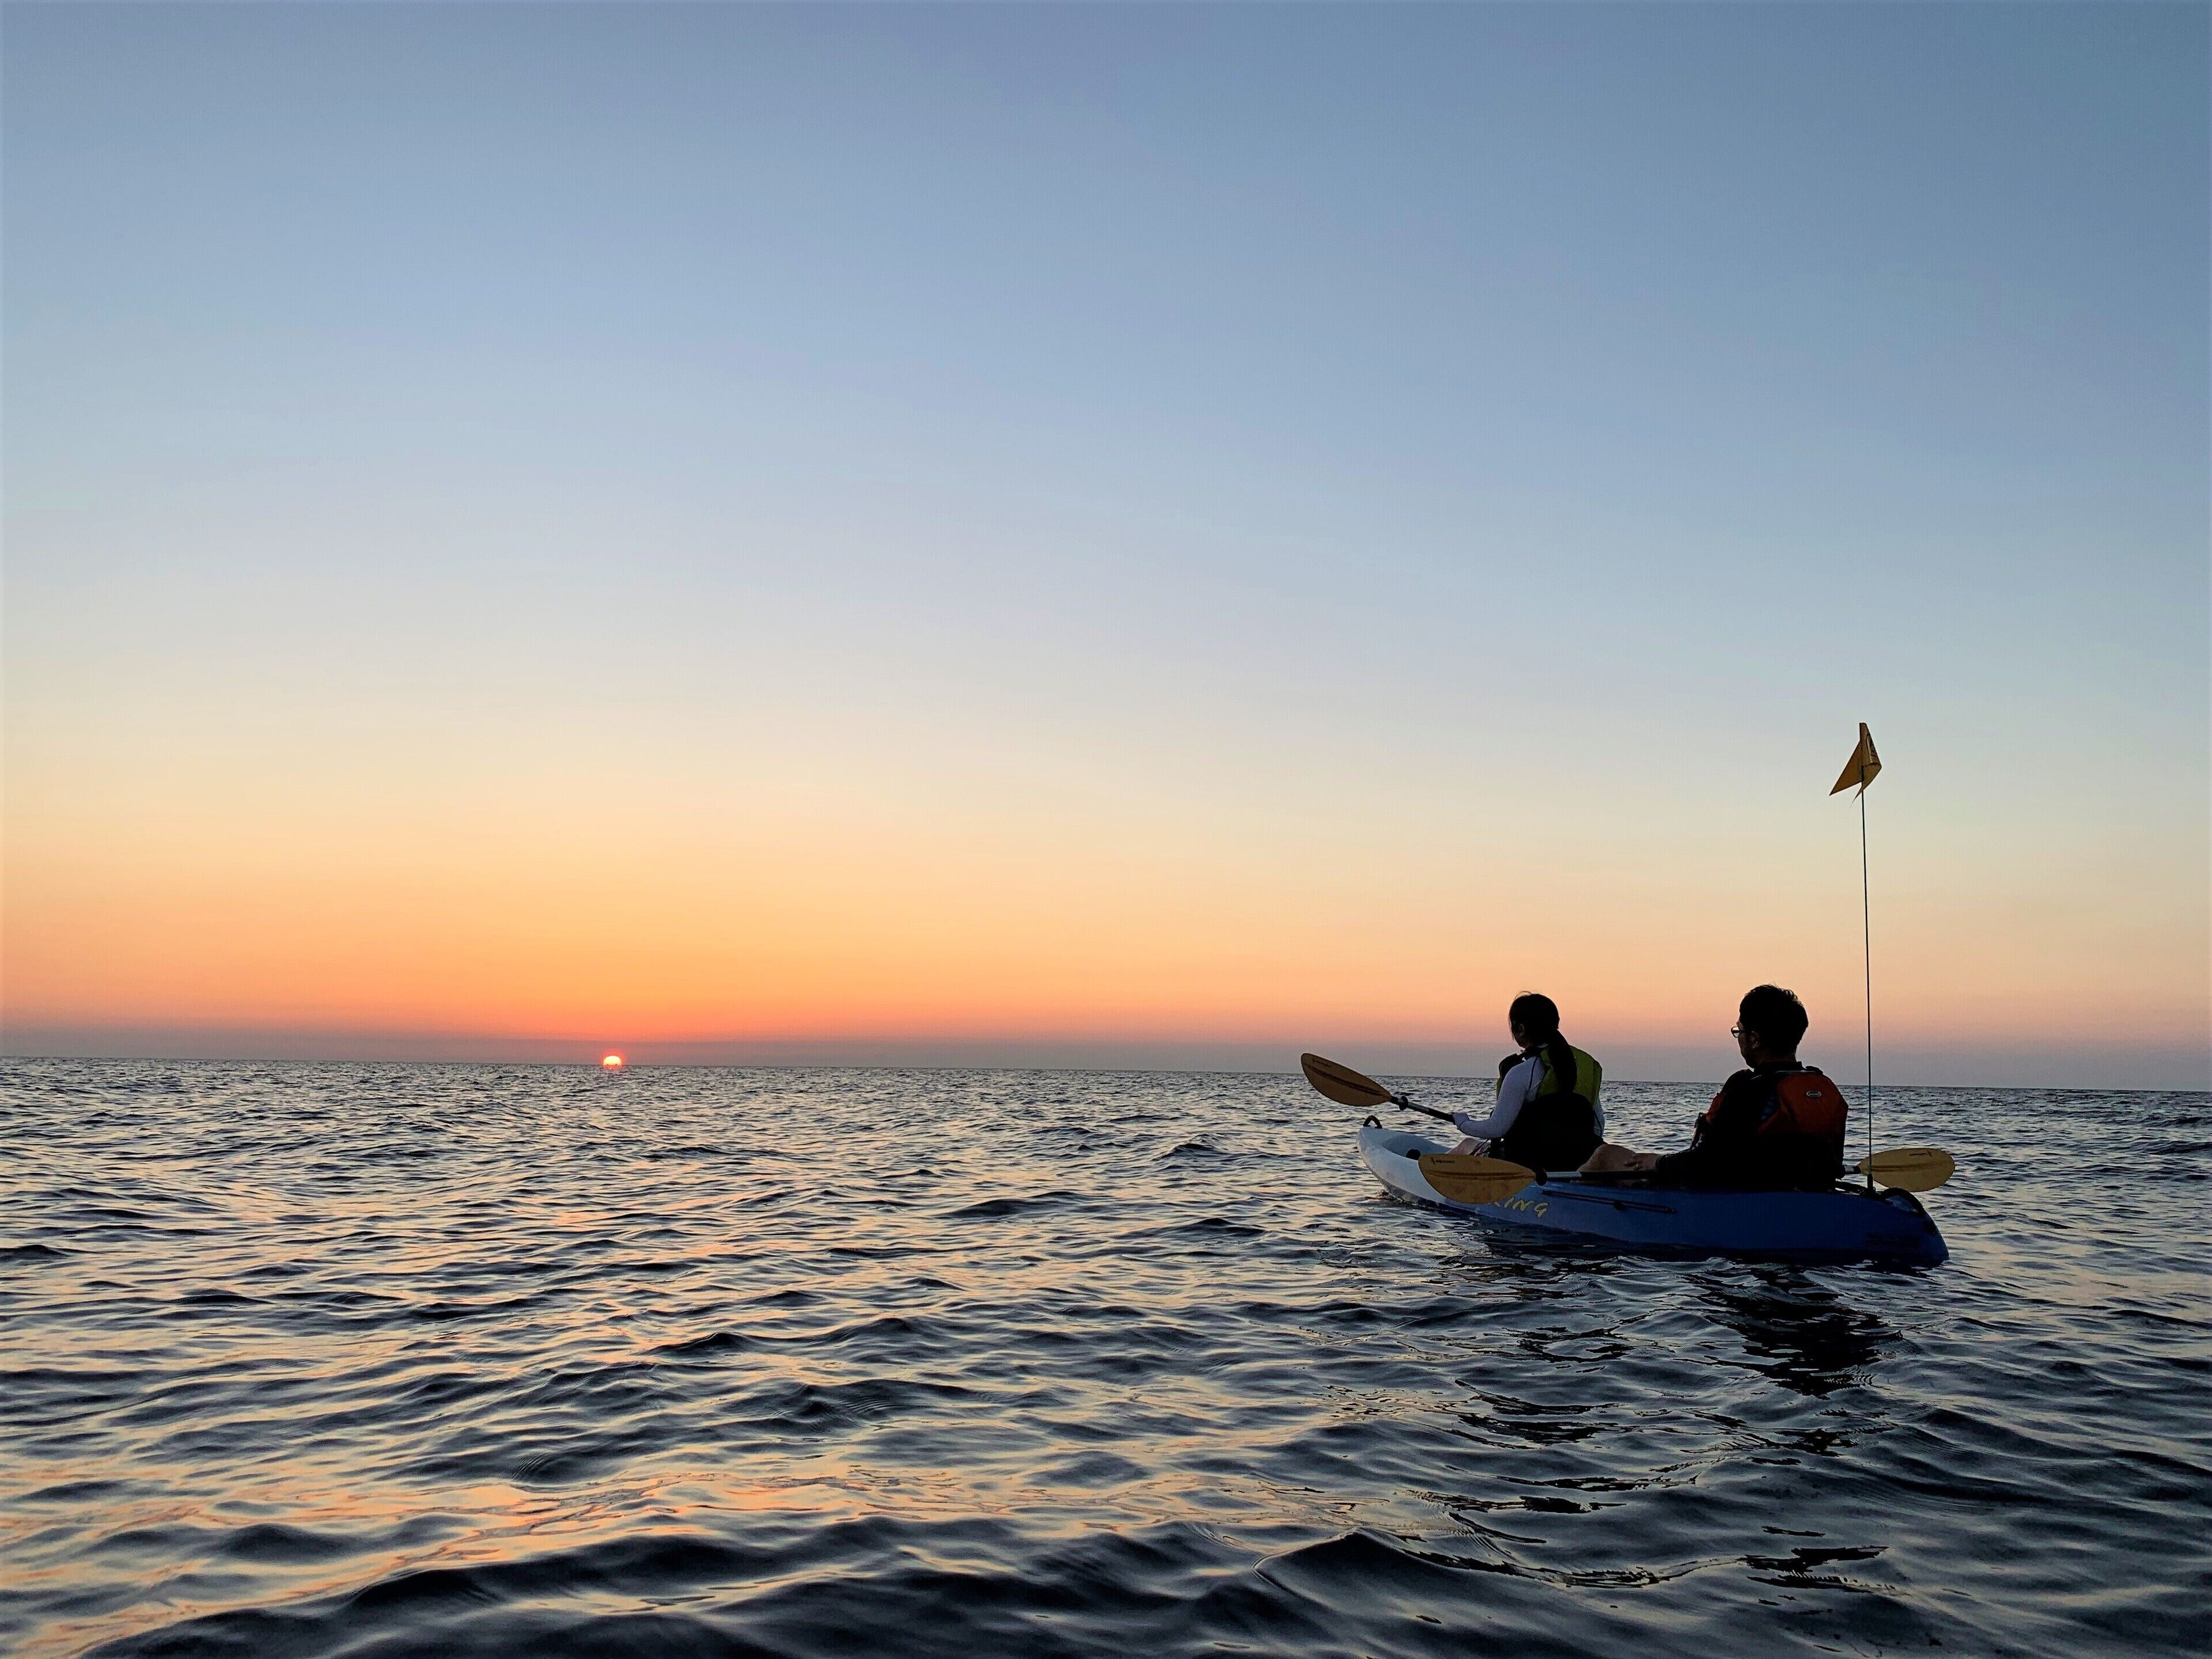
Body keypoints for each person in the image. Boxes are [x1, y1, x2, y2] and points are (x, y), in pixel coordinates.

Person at [1633, 984, 1847, 1189]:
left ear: (1754, 1040)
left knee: (1608, 1156)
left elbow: (1705, 1164)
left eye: (1740, 1031)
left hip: (1739, 1202)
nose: (1739, 1039)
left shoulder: (1749, 1089)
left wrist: (1658, 1162)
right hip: (1809, 1198)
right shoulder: (1825, 1089)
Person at [1450, 993, 1604, 1172]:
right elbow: (1598, 1126)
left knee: (1466, 1145)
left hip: (1524, 1167)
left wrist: (1463, 1123)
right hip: (1576, 1163)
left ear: (1521, 1028)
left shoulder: (1522, 1072)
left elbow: (1497, 1128)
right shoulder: (1584, 1070)